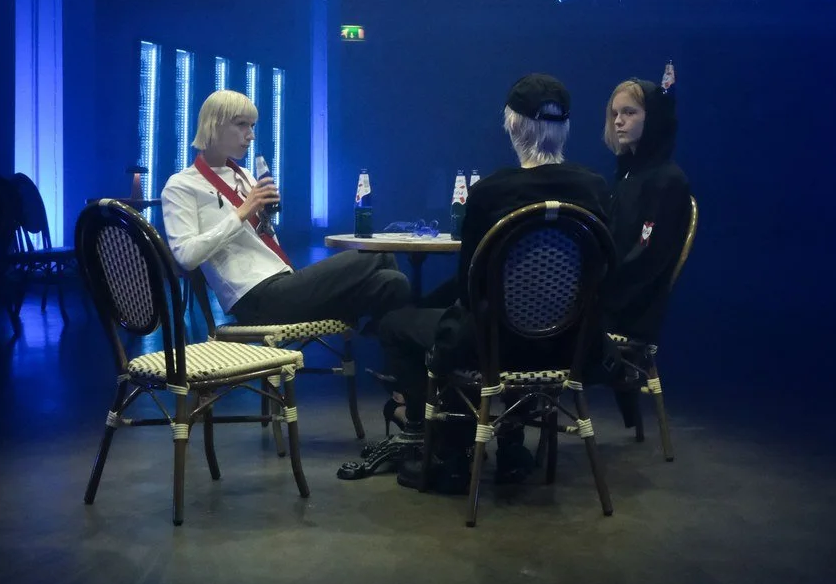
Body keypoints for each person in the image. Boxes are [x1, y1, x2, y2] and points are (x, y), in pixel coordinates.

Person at [373, 74, 612, 488]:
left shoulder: (490, 193)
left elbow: (472, 288)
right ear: (565, 127)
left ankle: (444, 453)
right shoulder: (594, 189)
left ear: (513, 126)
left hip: (494, 349)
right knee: (489, 322)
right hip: (570, 346)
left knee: (397, 325)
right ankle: (513, 449)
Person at [162, 89, 412, 332]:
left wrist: (265, 217)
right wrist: (242, 213)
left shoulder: (245, 175)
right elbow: (186, 256)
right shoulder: (182, 185)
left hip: (284, 282)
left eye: (252, 126)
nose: (250, 135)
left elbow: (258, 237)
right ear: (214, 125)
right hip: (254, 297)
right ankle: (415, 343)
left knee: (393, 283)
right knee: (377, 255)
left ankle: (397, 359)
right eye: (241, 125)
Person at [598, 63, 694, 427]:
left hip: (633, 303)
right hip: (613, 288)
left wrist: (597, 287)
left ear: (652, 118)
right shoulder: (626, 174)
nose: (619, 121)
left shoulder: (667, 181)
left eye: (629, 112)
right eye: (615, 113)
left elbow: (647, 255)